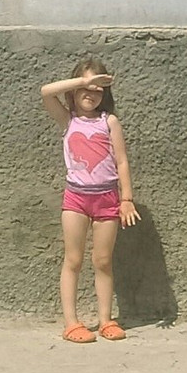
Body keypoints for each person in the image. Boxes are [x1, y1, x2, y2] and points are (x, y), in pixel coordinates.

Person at [41, 58, 141, 343]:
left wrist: (127, 199)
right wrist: (82, 81)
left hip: (107, 200)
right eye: (86, 87)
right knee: (73, 259)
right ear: (74, 89)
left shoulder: (109, 122)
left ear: (105, 94)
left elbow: (121, 161)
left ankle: (106, 319)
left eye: (98, 89)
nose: (91, 93)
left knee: (103, 260)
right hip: (76, 199)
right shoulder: (67, 119)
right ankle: (71, 323)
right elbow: (46, 92)